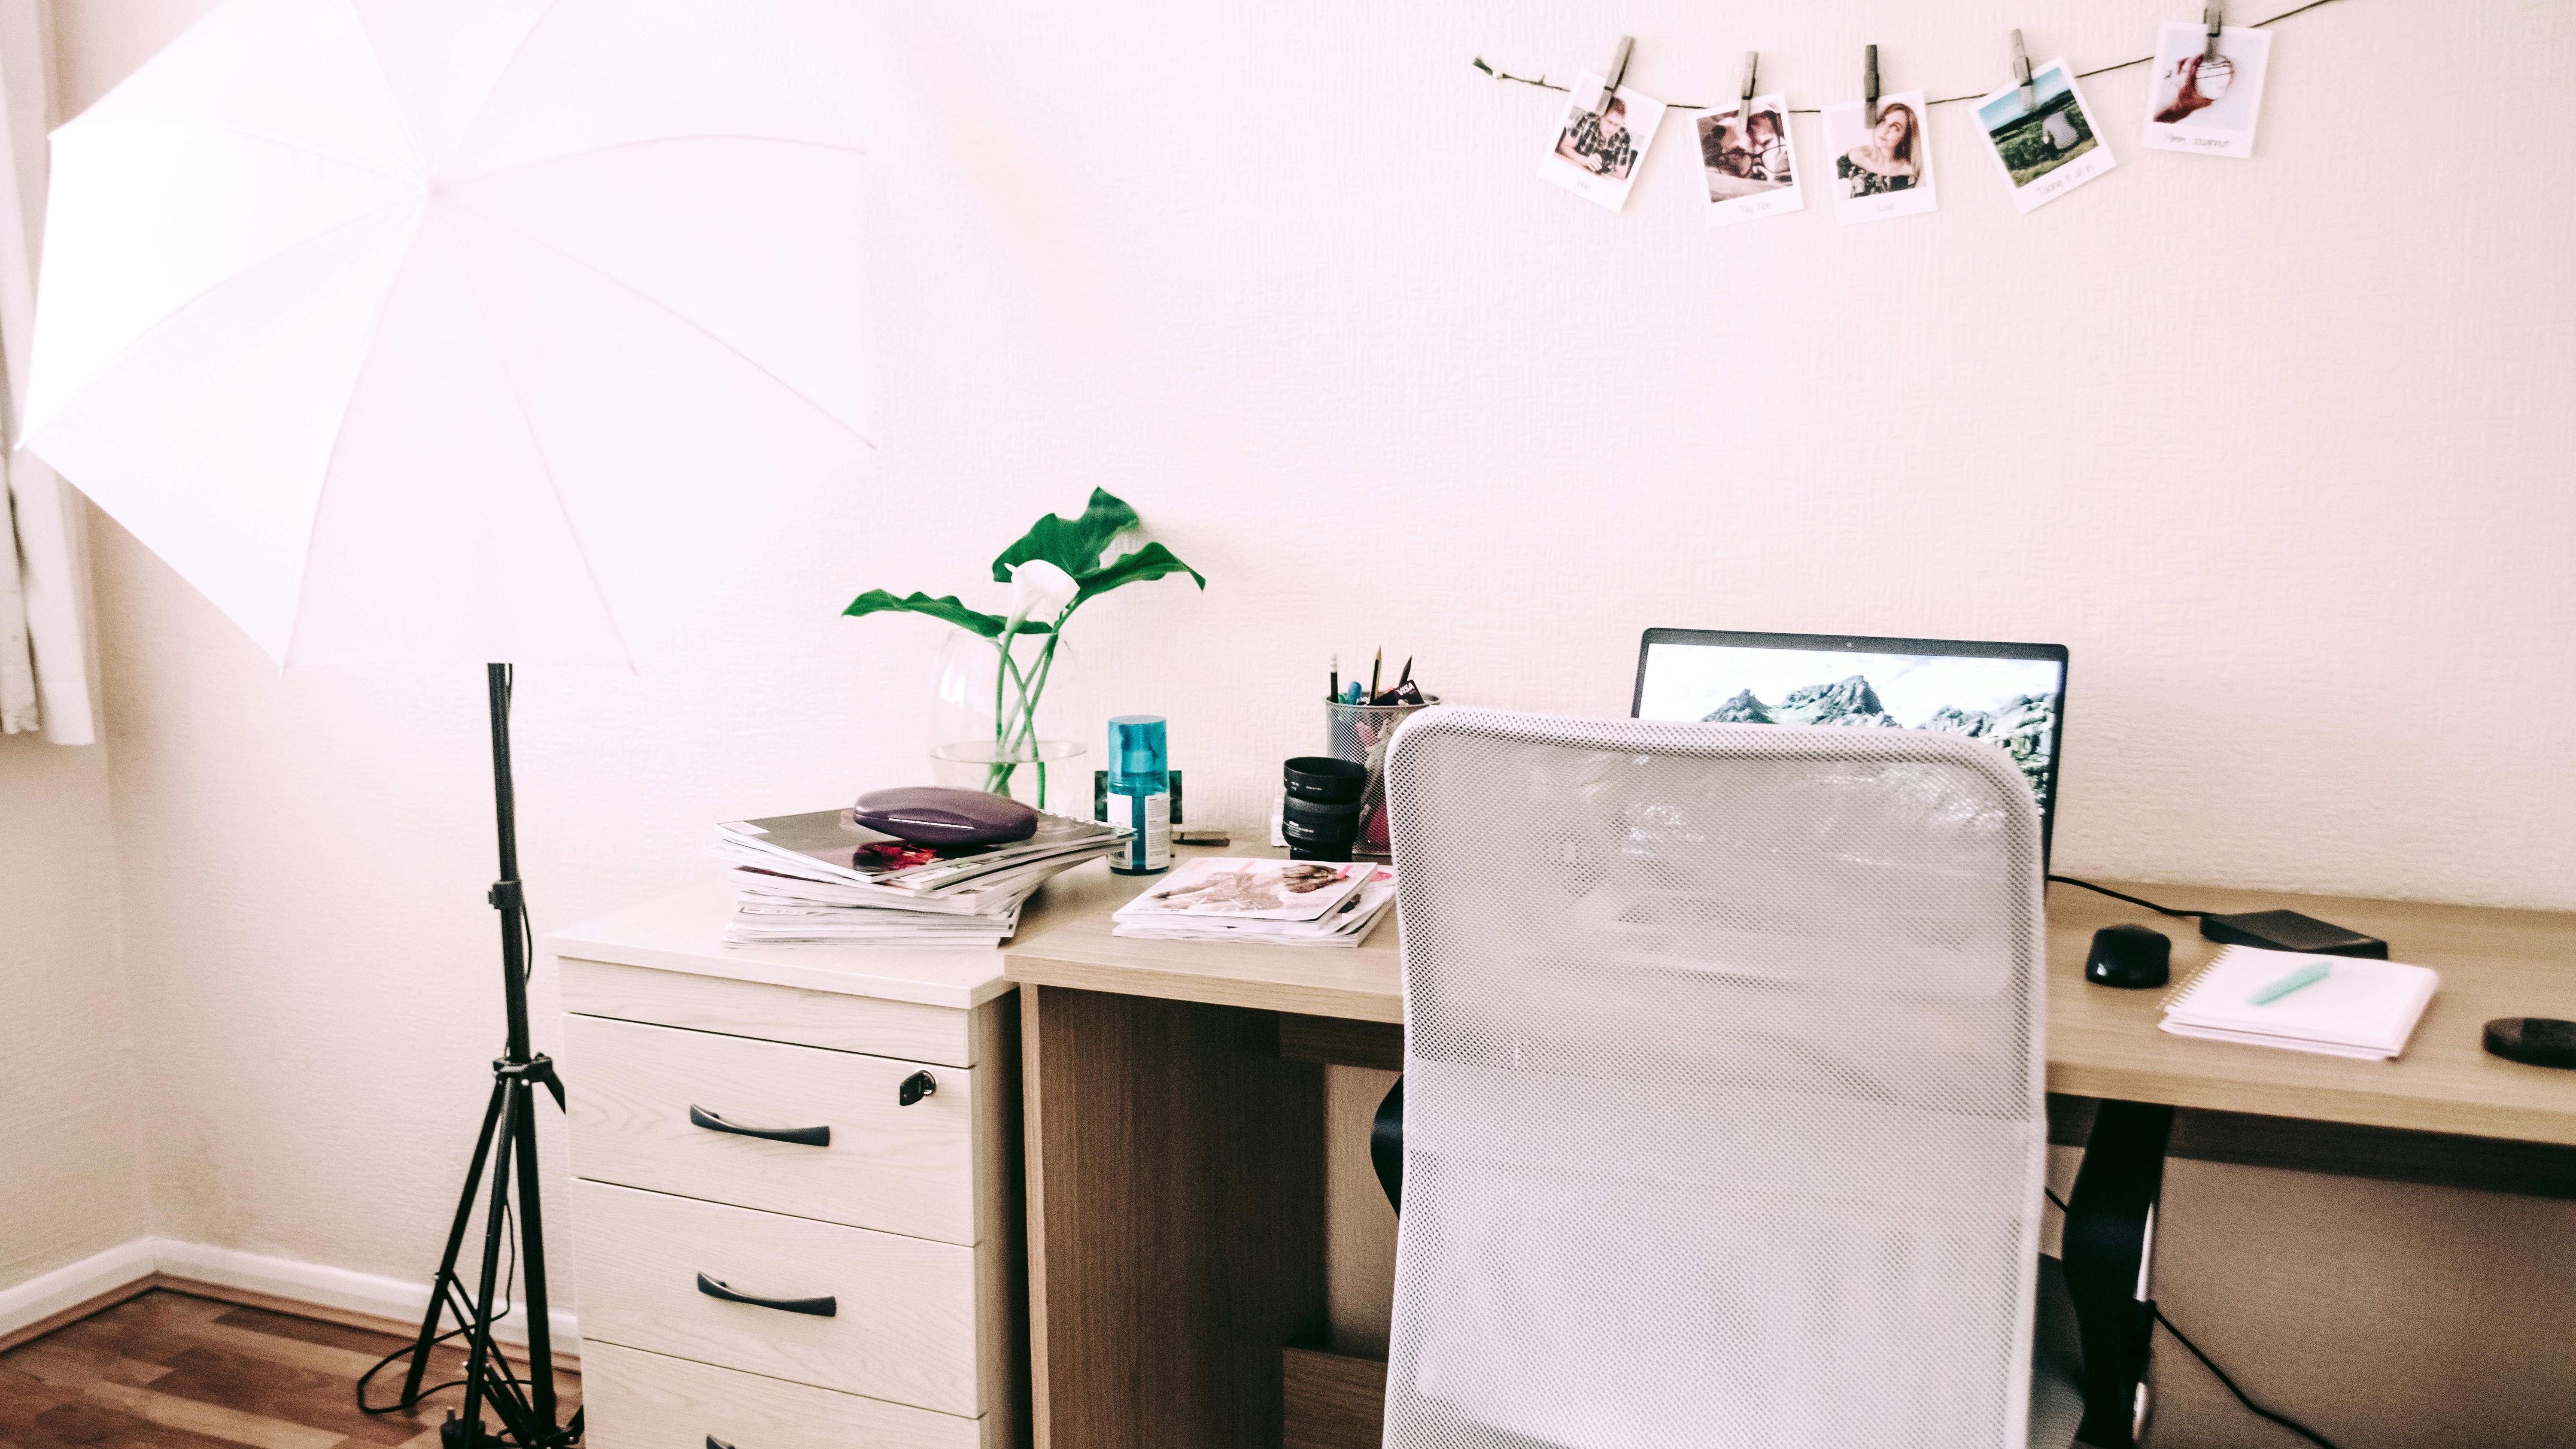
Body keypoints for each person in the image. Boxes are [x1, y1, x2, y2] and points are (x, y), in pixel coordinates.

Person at [1836, 101, 1921, 197]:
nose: (1885, 131)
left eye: (1895, 128)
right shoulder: (1853, 158)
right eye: (1883, 122)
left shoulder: (1910, 172)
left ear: (1906, 137)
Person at [1555, 96, 1637, 179]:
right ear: (1601, 116)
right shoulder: (1586, 119)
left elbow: (1621, 175)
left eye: (1617, 125)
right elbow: (1564, 147)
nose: (1611, 129)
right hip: (1574, 169)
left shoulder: (1624, 136)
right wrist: (1585, 161)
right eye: (1609, 122)